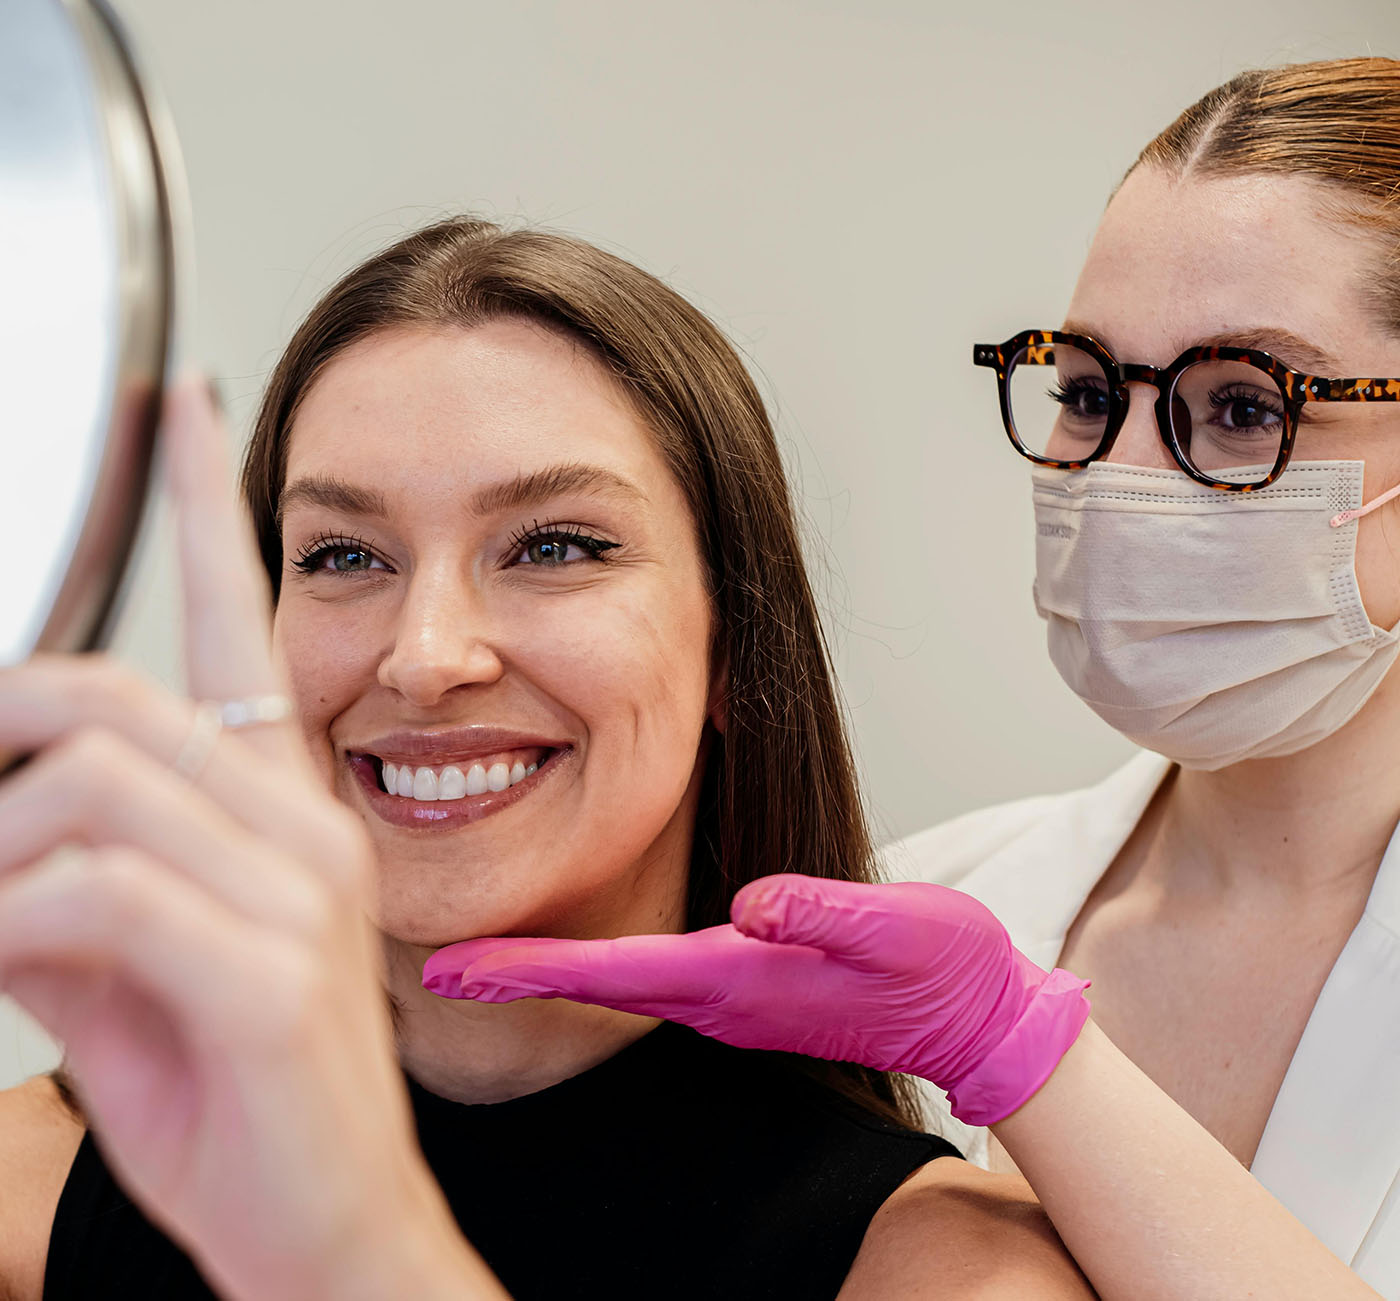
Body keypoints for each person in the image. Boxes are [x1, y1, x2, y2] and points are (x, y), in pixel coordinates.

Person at [425, 58, 1400, 1298]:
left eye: (1245, 408)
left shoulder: (957, 997)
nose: (1119, 475)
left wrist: (1027, 1057)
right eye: (1087, 392)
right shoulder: (916, 911)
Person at [0, 219, 1093, 1300]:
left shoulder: (947, 1268)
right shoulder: (25, 1199)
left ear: (732, 646)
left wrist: (353, 1243)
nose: (426, 657)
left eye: (554, 546)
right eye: (341, 555)